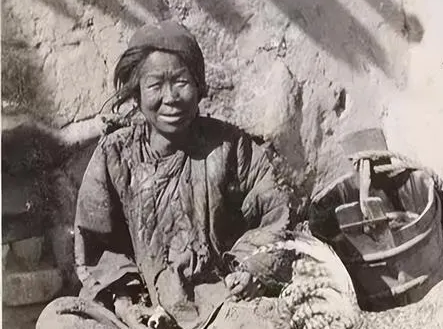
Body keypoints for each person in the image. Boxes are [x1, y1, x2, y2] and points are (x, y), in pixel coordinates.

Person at [37, 21, 294, 329]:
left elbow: (274, 214)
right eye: (155, 85)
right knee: (58, 319)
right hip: (142, 307)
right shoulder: (115, 153)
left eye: (181, 82)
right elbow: (97, 241)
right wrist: (124, 302)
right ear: (137, 94)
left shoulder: (231, 146)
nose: (170, 97)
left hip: (219, 305)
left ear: (199, 86)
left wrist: (250, 270)